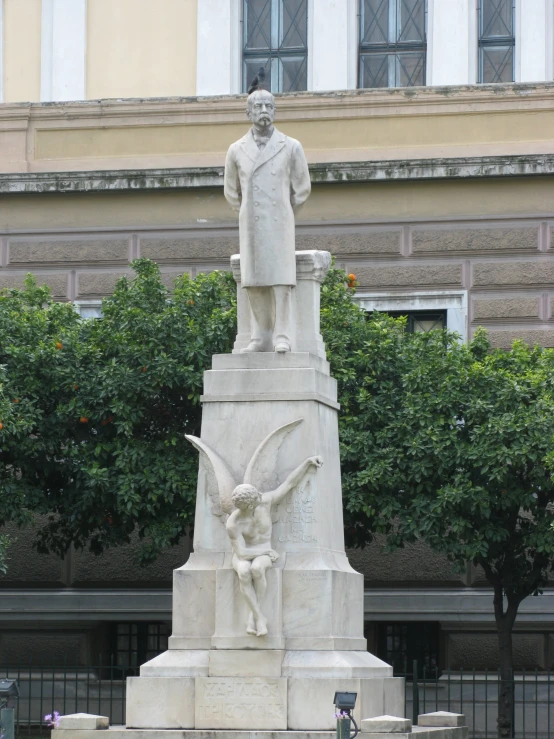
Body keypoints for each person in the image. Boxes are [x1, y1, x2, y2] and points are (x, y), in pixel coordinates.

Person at [224, 88, 311, 353]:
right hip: (251, 223)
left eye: (269, 107)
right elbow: (230, 191)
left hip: (280, 221)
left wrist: (284, 212)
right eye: (259, 107)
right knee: (253, 279)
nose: (264, 112)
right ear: (248, 112)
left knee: (281, 280)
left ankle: (282, 334)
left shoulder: (291, 146)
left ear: (275, 111)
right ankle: (260, 335)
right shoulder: (236, 150)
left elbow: (302, 189)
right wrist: (248, 212)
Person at [226, 455, 323, 636]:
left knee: (256, 569)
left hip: (262, 553)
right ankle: (259, 617)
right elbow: (241, 553)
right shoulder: (234, 523)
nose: (260, 498)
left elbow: (289, 484)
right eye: (255, 499)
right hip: (245, 553)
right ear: (246, 505)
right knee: (244, 571)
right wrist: (268, 550)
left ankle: (252, 617)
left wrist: (306, 462)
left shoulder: (264, 502)